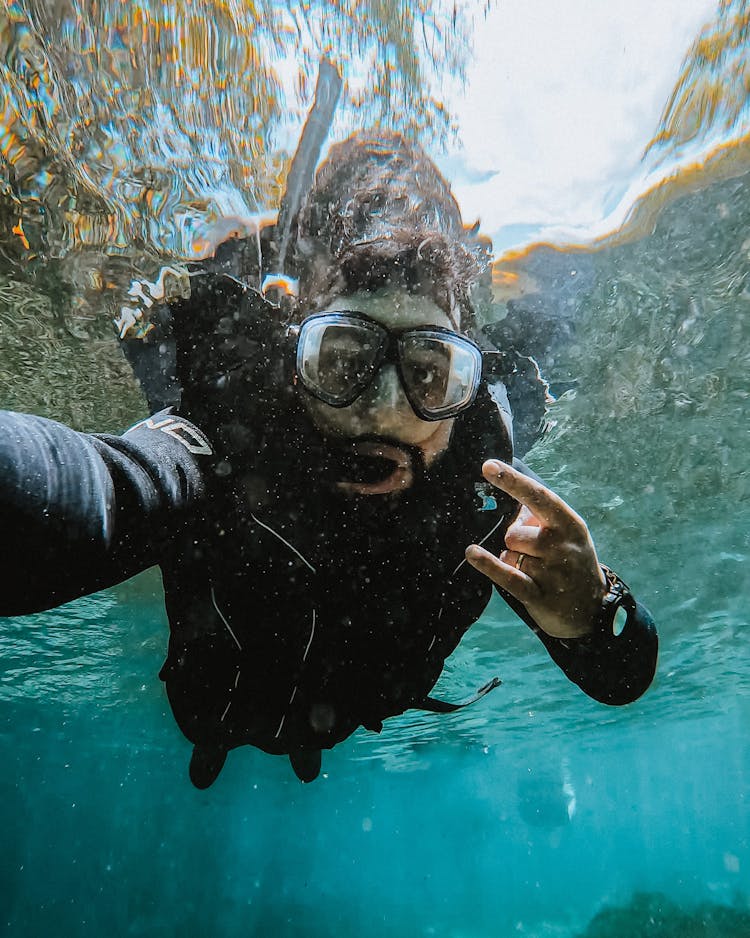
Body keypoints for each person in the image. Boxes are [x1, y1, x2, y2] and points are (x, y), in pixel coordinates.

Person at [0, 131, 658, 787]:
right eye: (344, 360)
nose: (384, 408)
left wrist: (593, 612)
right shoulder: (227, 443)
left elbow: (622, 674)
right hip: (207, 707)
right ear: (295, 365)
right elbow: (100, 487)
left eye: (429, 375)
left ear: (468, 390)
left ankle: (290, 744)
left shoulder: (487, 501)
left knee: (303, 740)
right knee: (212, 730)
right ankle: (226, 744)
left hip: (344, 720)